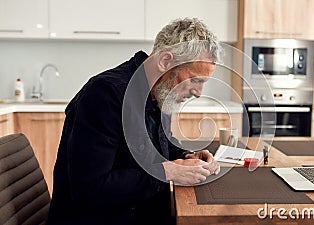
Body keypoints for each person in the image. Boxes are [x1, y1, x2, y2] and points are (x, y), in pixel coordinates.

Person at [47, 18, 221, 225]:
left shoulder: (160, 92)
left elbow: (162, 143)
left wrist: (187, 155)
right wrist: (168, 171)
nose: (198, 93)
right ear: (165, 62)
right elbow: (90, 188)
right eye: (194, 80)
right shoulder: (105, 95)